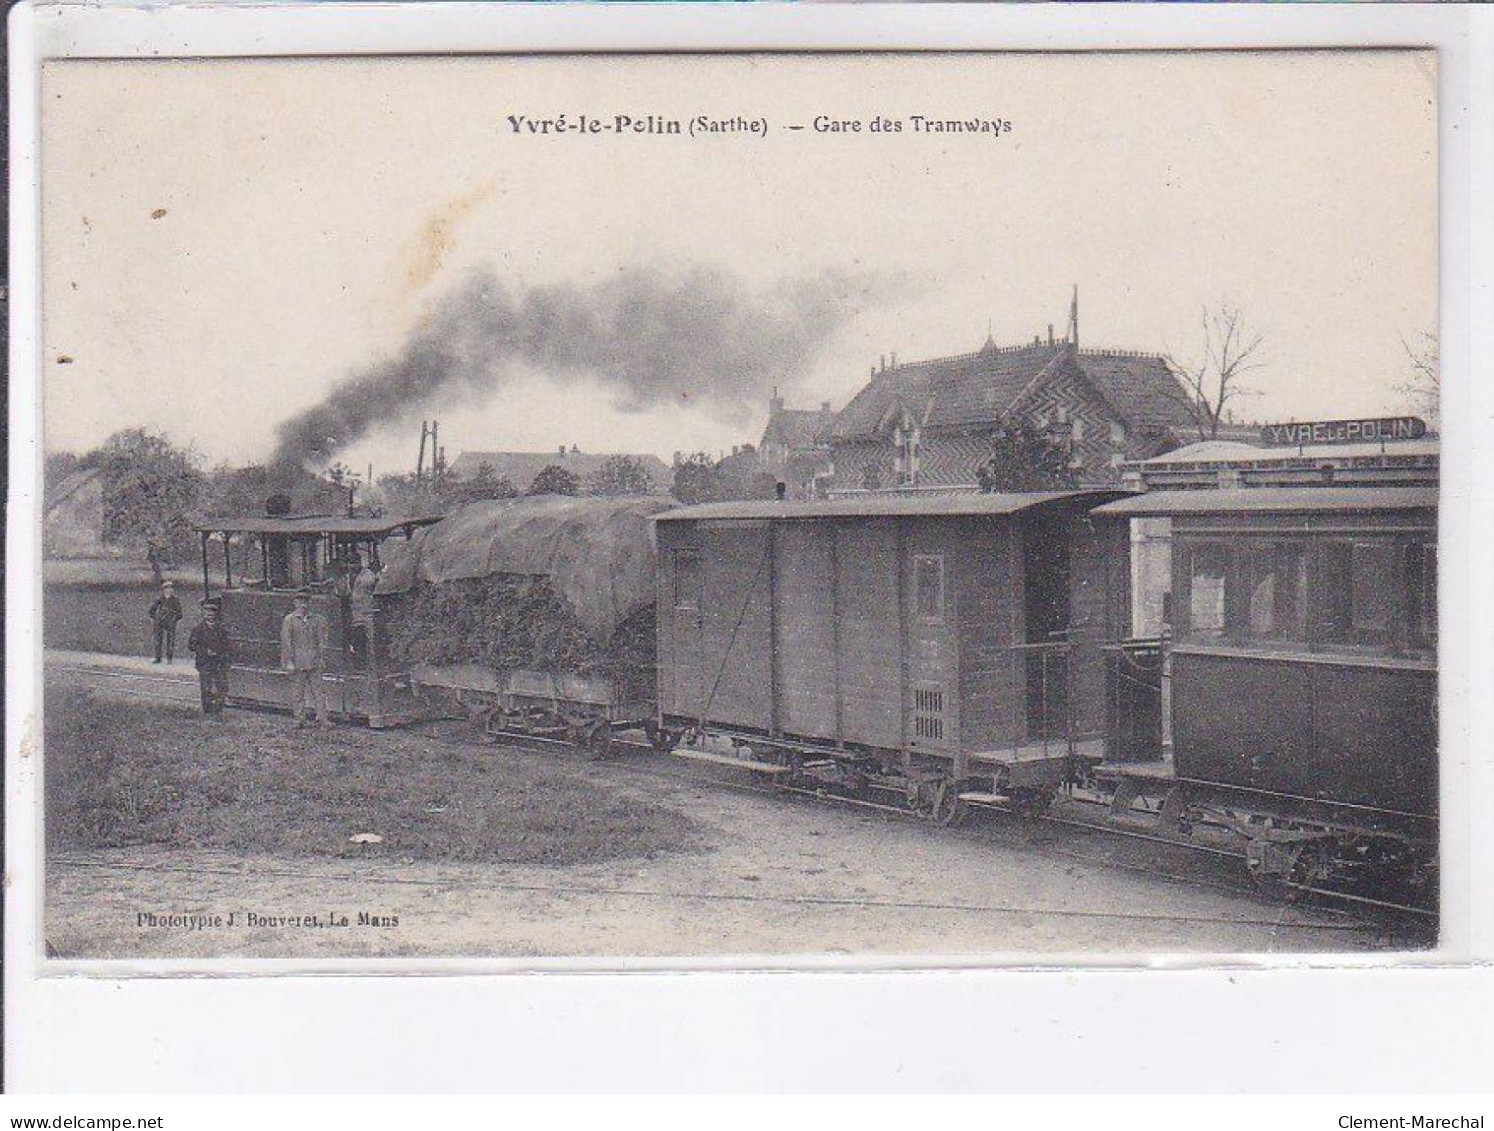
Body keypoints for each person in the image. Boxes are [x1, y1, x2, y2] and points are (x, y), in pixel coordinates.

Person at [280, 589, 332, 729]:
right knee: (298, 693)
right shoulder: (289, 620)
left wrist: (321, 657)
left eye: (306, 601)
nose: (303, 605)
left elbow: (323, 640)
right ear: (295, 603)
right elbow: (286, 642)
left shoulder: (318, 619)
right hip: (297, 662)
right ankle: (299, 719)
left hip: (314, 661)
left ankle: (322, 719)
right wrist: (289, 662)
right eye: (300, 601)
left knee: (319, 692)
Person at [186, 598, 234, 717]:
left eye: (212, 612)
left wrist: (223, 654)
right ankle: (207, 711)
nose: (210, 614)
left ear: (216, 614)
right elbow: (191, 645)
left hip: (218, 662)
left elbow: (227, 644)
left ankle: (218, 711)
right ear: (204, 613)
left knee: (221, 687)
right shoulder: (198, 629)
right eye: (207, 612)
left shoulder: (221, 629)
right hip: (205, 662)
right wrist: (205, 651)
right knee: (206, 688)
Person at [147, 581, 183, 664]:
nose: (169, 590)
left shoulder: (175, 600)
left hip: (170, 623)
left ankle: (169, 659)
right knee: (158, 641)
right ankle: (158, 658)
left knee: (170, 641)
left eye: (171, 588)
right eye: (167, 588)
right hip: (160, 622)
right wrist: (156, 618)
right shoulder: (159, 600)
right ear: (163, 590)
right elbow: (151, 611)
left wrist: (174, 619)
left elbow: (179, 613)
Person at [350, 556, 379, 657]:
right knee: (358, 638)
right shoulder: (351, 575)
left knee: (370, 640)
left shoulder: (367, 574)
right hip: (357, 612)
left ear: (359, 563)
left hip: (367, 611)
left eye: (354, 563)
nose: (352, 566)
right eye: (350, 564)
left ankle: (371, 665)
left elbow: (371, 582)